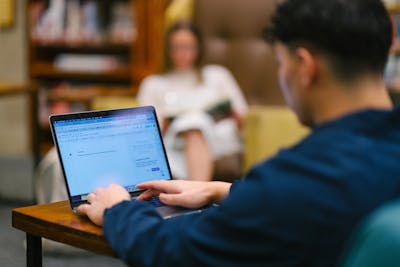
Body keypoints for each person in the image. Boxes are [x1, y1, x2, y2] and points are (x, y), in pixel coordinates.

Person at [78, 0, 400, 266]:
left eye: (279, 62)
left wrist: (118, 209)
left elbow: (172, 253)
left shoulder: (291, 181)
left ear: (305, 66)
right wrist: (221, 190)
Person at [137, 21, 248, 181]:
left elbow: (240, 115)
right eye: (176, 47)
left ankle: (195, 193)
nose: (183, 54)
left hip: (217, 139)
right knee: (192, 124)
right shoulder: (153, 84)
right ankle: (199, 195)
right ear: (167, 49)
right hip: (173, 141)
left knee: (196, 124)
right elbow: (148, 132)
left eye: (189, 47)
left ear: (199, 48)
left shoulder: (217, 75)